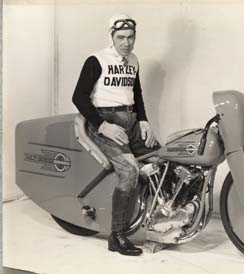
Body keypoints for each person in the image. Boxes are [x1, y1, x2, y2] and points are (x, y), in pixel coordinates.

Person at [72, 14, 159, 256]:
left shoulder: (134, 60)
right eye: (121, 37)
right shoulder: (96, 60)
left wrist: (143, 120)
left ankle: (157, 222)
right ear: (111, 36)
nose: (126, 43)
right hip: (106, 122)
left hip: (130, 121)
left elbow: (137, 93)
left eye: (131, 37)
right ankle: (117, 235)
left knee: (161, 159)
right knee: (130, 169)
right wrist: (102, 125)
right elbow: (79, 97)